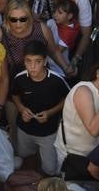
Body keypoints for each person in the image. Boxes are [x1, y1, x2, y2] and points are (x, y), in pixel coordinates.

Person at [13, 41, 72, 174]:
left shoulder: (57, 80)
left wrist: (50, 113)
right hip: (24, 130)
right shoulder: (20, 78)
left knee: (50, 169)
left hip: (48, 133)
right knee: (25, 157)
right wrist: (21, 109)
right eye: (28, 61)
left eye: (37, 61)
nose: (32, 66)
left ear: (45, 61)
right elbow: (15, 95)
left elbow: (68, 99)